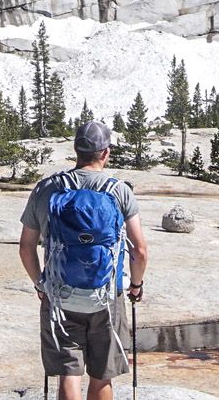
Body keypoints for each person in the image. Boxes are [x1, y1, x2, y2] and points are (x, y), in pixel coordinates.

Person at [19, 121, 149, 400]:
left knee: (69, 372)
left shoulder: (47, 189)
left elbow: (26, 248)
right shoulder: (119, 191)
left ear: (76, 150)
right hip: (107, 297)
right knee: (103, 375)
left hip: (60, 295)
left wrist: (41, 285)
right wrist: (135, 286)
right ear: (105, 153)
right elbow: (139, 250)